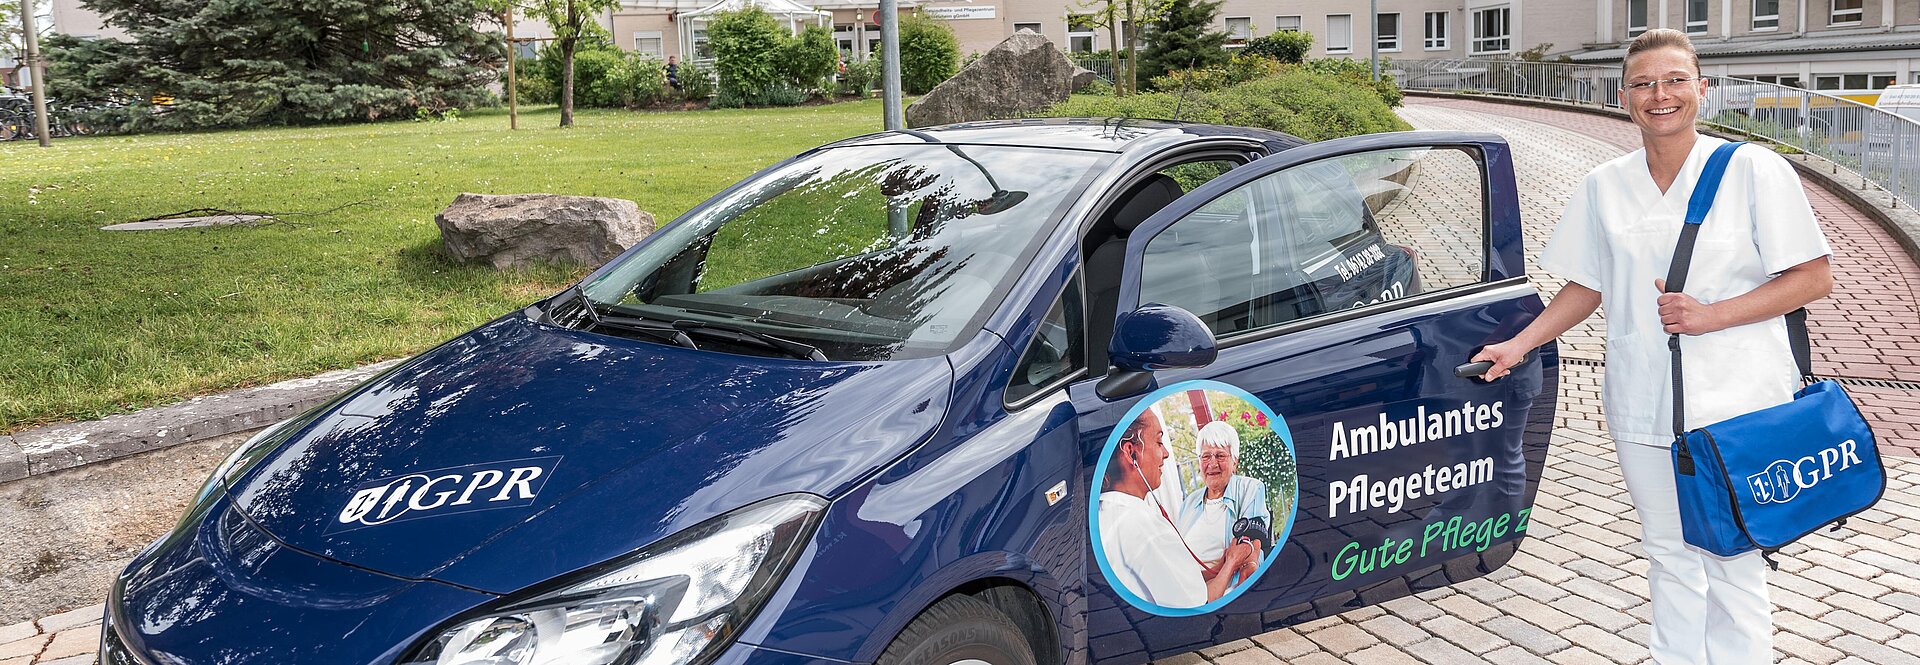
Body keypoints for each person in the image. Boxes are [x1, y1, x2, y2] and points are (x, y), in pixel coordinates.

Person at [1472, 28, 1832, 664]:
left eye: (1673, 81)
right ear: (1623, 96)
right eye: (1642, 84)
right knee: (1667, 554)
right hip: (1643, 403)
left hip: (1737, 403)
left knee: (1734, 560)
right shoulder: (1605, 185)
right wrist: (1519, 345)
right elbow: (1588, 285)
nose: (1659, 95)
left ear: (1702, 89)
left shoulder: (1752, 170)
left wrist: (1712, 315)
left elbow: (1812, 278)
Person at [1099, 408, 1257, 608]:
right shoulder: (1146, 527)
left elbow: (1177, 580)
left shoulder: (1105, 513)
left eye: (1220, 456)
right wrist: (1232, 563)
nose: (1165, 453)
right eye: (1159, 442)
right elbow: (1199, 604)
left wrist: (1221, 567)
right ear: (1131, 453)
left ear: (1235, 462)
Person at [1176, 421, 1271, 571]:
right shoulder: (1189, 503)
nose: (1213, 464)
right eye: (1206, 456)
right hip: (1189, 582)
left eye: (1220, 455)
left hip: (1230, 581)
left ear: (1234, 461)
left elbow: (1249, 551)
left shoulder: (1250, 489)